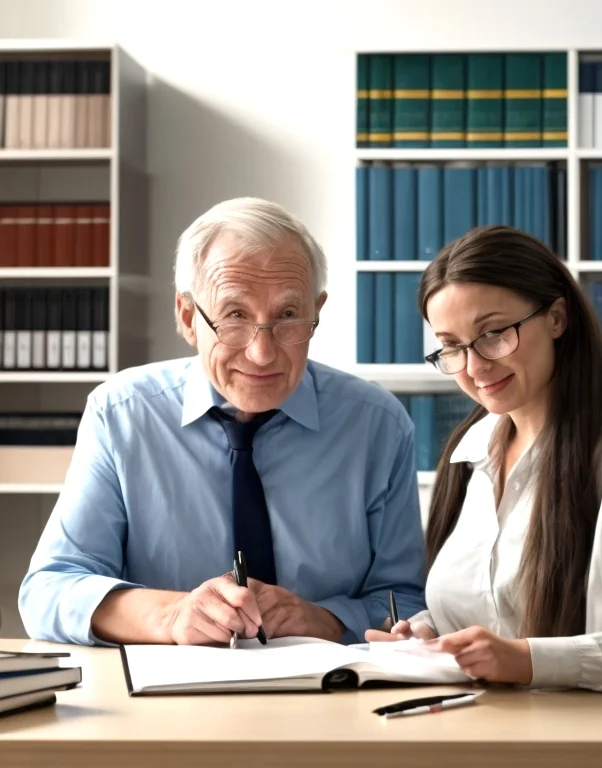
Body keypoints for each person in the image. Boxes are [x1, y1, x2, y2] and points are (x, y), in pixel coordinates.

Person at [18, 197, 426, 647]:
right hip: (165, 704)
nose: (262, 353)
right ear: (189, 317)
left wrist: (323, 619)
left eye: (288, 316)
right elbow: (49, 592)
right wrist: (172, 615)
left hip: (336, 695)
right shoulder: (122, 415)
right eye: (235, 317)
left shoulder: (378, 425)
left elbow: (406, 599)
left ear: (317, 312)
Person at [366, 225, 602, 695]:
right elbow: (487, 609)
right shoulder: (468, 451)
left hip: (573, 737)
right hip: (470, 724)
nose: (475, 366)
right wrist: (429, 634)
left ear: (557, 317)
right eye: (453, 346)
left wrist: (525, 659)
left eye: (493, 334)